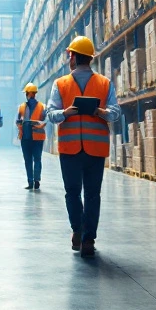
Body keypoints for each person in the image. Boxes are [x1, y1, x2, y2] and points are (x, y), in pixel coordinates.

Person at [46, 35, 121, 257]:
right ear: (89, 58)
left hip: (82, 151)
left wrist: (99, 111)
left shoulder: (101, 83)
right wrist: (66, 112)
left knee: (74, 193)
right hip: (82, 150)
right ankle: (85, 236)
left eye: (70, 55)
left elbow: (50, 114)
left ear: (74, 57)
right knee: (91, 194)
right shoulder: (62, 84)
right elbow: (116, 112)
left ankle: (81, 233)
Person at [16, 83, 46, 190]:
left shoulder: (22, 106)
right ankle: (36, 181)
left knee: (28, 160)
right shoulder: (42, 106)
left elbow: (17, 120)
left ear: (27, 94)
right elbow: (45, 120)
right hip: (32, 137)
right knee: (37, 159)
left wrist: (21, 127)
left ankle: (31, 182)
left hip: (27, 137)